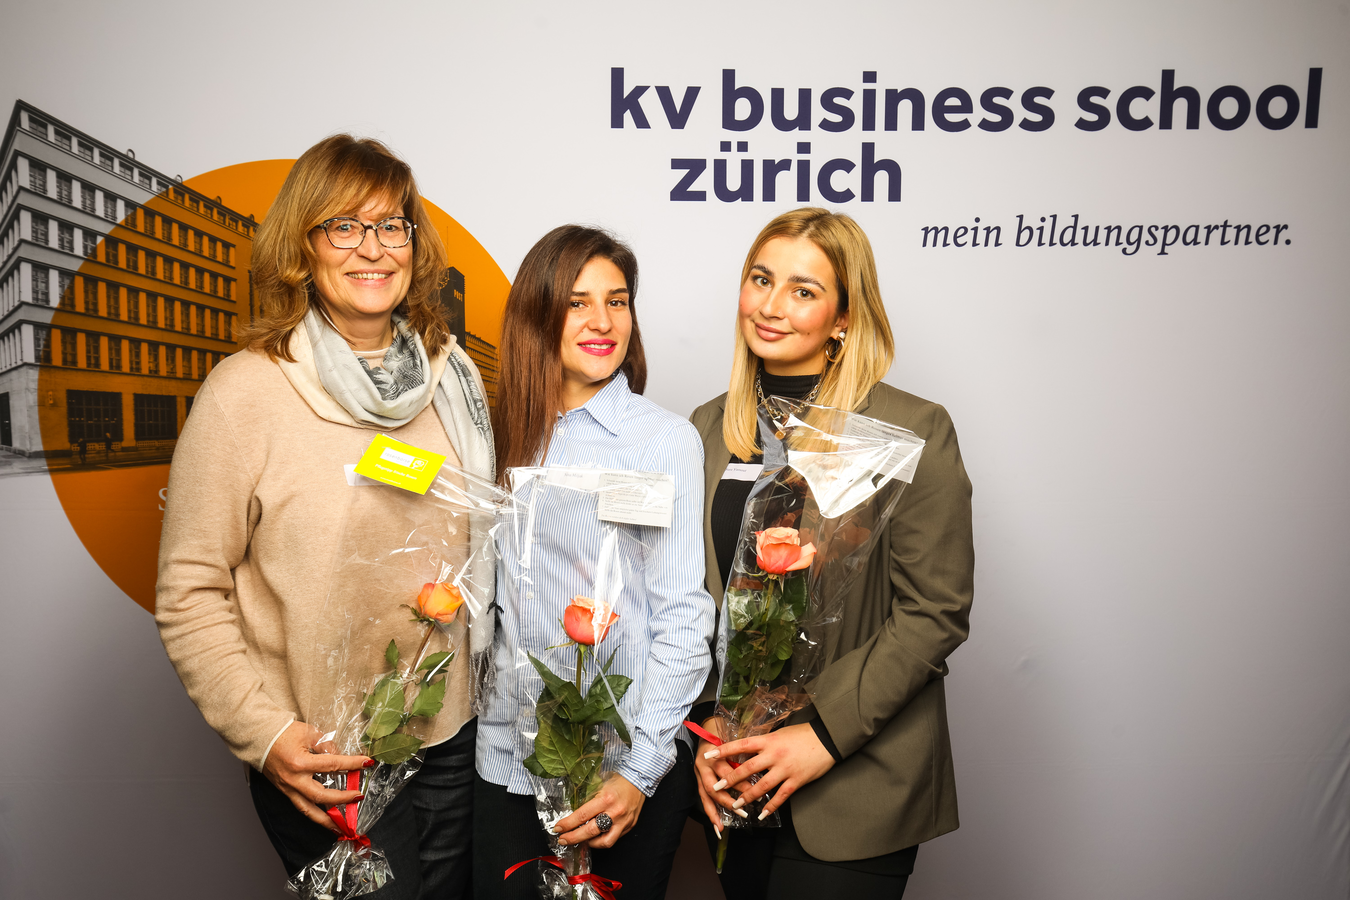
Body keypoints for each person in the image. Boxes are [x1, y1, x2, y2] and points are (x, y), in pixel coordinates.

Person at [156, 135, 494, 899]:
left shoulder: (453, 378)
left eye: (391, 226)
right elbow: (189, 591)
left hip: (453, 739)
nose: (372, 248)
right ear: (303, 247)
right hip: (325, 756)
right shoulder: (246, 393)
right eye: (344, 226)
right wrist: (266, 734)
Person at [689, 208, 975, 899]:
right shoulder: (708, 428)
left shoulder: (913, 429)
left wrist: (821, 735)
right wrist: (706, 729)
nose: (771, 306)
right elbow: (693, 599)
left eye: (803, 290)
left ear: (844, 317)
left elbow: (935, 611)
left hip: (856, 785)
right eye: (761, 280)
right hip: (736, 778)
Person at [473, 225, 716, 900]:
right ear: (538, 315)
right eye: (577, 302)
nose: (603, 322)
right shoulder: (494, 434)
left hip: (619, 769)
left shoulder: (663, 440)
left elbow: (681, 614)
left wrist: (640, 770)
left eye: (617, 301)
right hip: (504, 763)